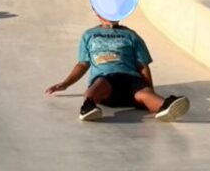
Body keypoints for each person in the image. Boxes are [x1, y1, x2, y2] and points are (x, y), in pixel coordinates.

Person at [45, 11, 190, 122]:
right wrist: (65, 84)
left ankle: (164, 106)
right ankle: (89, 106)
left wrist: (149, 88)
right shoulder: (89, 35)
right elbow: (83, 64)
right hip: (106, 80)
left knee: (144, 94)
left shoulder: (131, 35)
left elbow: (142, 65)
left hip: (130, 79)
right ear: (97, 12)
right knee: (96, 87)